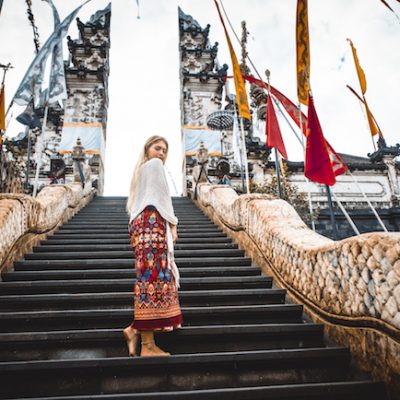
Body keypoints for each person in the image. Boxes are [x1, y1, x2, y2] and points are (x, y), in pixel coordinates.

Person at [123, 135, 182, 357]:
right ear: (147, 149)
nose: (162, 153)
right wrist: (173, 225)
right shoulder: (155, 166)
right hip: (152, 222)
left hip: (140, 226)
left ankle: (135, 331)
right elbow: (162, 198)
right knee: (154, 279)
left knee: (148, 277)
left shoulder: (141, 171)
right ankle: (146, 345)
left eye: (165, 150)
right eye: (157, 148)